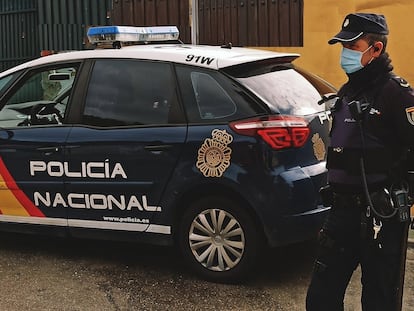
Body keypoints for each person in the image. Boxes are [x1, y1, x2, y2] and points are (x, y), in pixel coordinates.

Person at [306, 13, 414, 311]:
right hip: (341, 214)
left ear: (376, 49)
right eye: (344, 46)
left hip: (380, 216)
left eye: (353, 46)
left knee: (379, 301)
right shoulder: (347, 92)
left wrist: (400, 198)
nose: (345, 53)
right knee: (320, 299)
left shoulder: (397, 94)